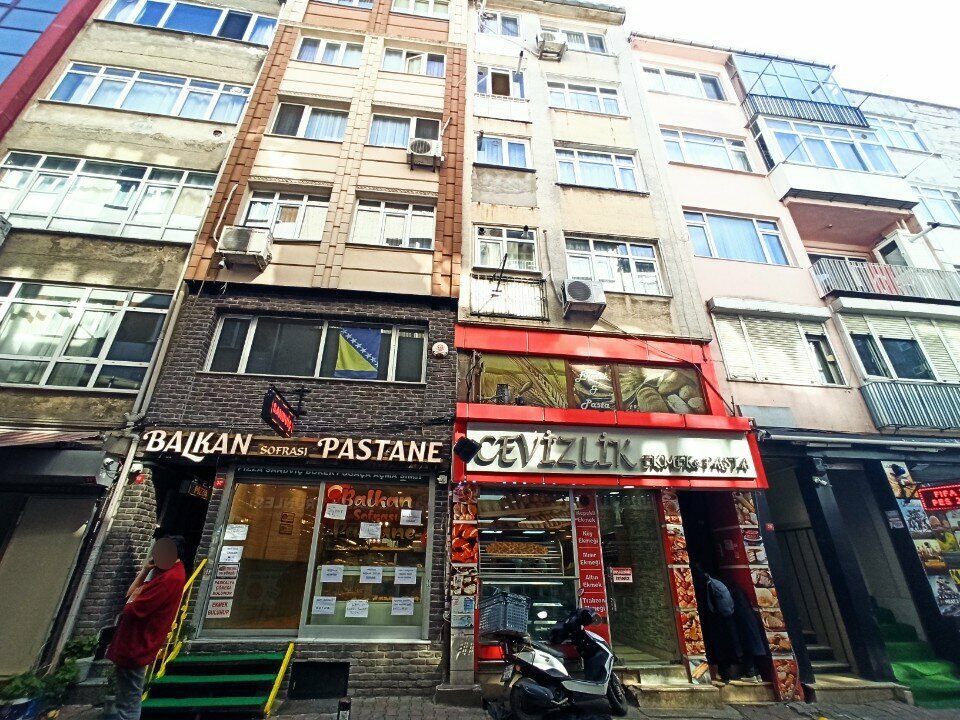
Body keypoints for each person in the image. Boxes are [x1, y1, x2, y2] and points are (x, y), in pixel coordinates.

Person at [106, 536, 187, 720]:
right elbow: (130, 595)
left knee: (129, 702)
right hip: (132, 643)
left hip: (137, 645)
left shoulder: (170, 578)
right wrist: (145, 571)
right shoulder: (164, 575)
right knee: (127, 698)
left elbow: (132, 606)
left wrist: (134, 598)